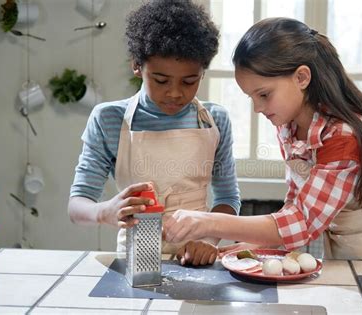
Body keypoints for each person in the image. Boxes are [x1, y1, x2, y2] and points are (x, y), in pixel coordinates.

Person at [163, 17, 362, 263]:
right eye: (251, 97)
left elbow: (303, 221)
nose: (257, 108)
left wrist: (209, 223)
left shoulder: (344, 136)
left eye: (264, 94)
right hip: (349, 251)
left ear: (302, 77)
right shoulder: (289, 127)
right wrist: (252, 245)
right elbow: (297, 205)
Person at [68, 0, 240, 266]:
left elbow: (228, 198)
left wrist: (207, 242)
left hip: (196, 260)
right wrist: (106, 211)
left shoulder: (214, 120)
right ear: (137, 65)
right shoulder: (109, 119)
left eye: (189, 81)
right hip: (134, 262)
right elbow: (77, 207)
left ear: (202, 72)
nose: (174, 93)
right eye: (160, 80)